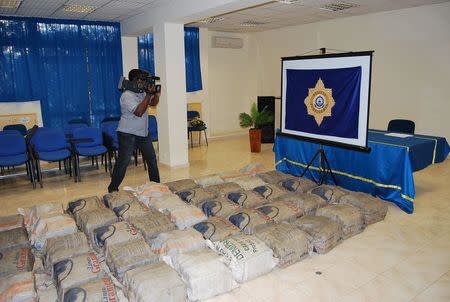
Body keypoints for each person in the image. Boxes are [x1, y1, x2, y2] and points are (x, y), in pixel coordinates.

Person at [108, 69, 160, 193]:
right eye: (143, 79)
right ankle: (112, 189)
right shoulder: (127, 95)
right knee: (123, 162)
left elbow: (153, 103)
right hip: (127, 134)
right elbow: (139, 112)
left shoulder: (141, 92)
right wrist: (148, 94)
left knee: (151, 160)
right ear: (136, 81)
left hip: (143, 133)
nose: (145, 82)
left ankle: (157, 186)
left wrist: (155, 94)